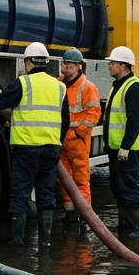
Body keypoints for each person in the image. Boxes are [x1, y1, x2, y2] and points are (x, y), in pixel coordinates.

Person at [0, 42, 69, 246]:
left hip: (26, 149)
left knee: (20, 193)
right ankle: (45, 242)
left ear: (29, 62)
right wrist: (55, 140)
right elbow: (65, 120)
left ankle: (17, 241)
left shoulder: (23, 83)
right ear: (46, 63)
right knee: (46, 194)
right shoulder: (59, 86)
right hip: (50, 149)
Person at [102, 45, 139, 237]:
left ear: (124, 66)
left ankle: (131, 232)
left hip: (128, 151)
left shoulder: (133, 87)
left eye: (113, 63)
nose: (109, 66)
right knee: (119, 189)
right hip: (117, 149)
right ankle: (125, 228)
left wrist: (126, 147)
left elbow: (134, 120)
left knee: (129, 189)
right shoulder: (119, 85)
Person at [58, 48, 101, 216]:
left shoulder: (87, 87)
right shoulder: (59, 83)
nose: (67, 67)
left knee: (81, 178)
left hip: (77, 141)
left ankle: (84, 215)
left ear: (79, 66)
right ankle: (70, 212)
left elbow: (94, 112)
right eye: (65, 63)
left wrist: (79, 133)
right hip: (62, 138)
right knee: (64, 178)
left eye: (71, 64)